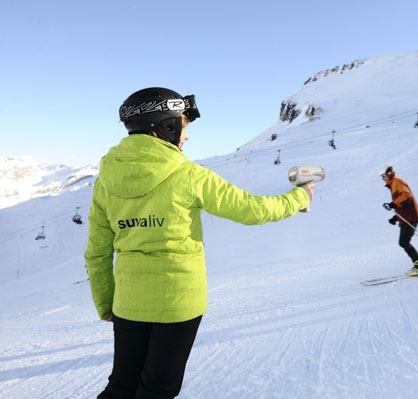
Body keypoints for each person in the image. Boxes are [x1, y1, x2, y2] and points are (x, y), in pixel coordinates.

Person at [84, 87, 314, 399]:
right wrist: (300, 197)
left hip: (127, 304)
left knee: (122, 386)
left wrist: (105, 303)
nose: (187, 136)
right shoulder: (189, 175)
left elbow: (97, 252)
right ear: (166, 126)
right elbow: (253, 210)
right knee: (157, 389)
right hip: (177, 304)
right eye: (184, 126)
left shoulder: (105, 181)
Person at [380, 165, 418, 275]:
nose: (382, 178)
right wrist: (395, 218)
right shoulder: (393, 185)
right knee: (404, 242)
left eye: (383, 176)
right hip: (406, 217)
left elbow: (407, 195)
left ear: (389, 174)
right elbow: (401, 203)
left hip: (411, 217)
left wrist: (392, 204)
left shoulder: (397, 181)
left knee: (404, 242)